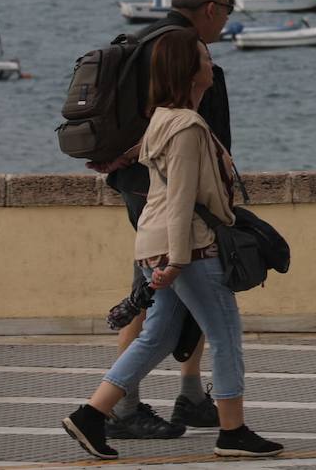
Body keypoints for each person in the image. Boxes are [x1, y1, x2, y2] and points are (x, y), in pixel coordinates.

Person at [63, 31, 283, 460]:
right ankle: (232, 432)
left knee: (158, 336)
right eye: (204, 58)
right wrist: (178, 261)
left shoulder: (161, 118)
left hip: (155, 240)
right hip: (186, 248)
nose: (211, 65)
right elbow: (181, 200)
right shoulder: (185, 125)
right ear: (189, 72)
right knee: (225, 335)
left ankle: (91, 415)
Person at [96, 0, 234, 439]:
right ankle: (117, 408)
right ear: (212, 9)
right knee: (152, 294)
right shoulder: (183, 50)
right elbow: (194, 130)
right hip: (166, 195)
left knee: (176, 292)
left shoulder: (144, 41)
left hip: (140, 186)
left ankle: (191, 394)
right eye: (227, 9)